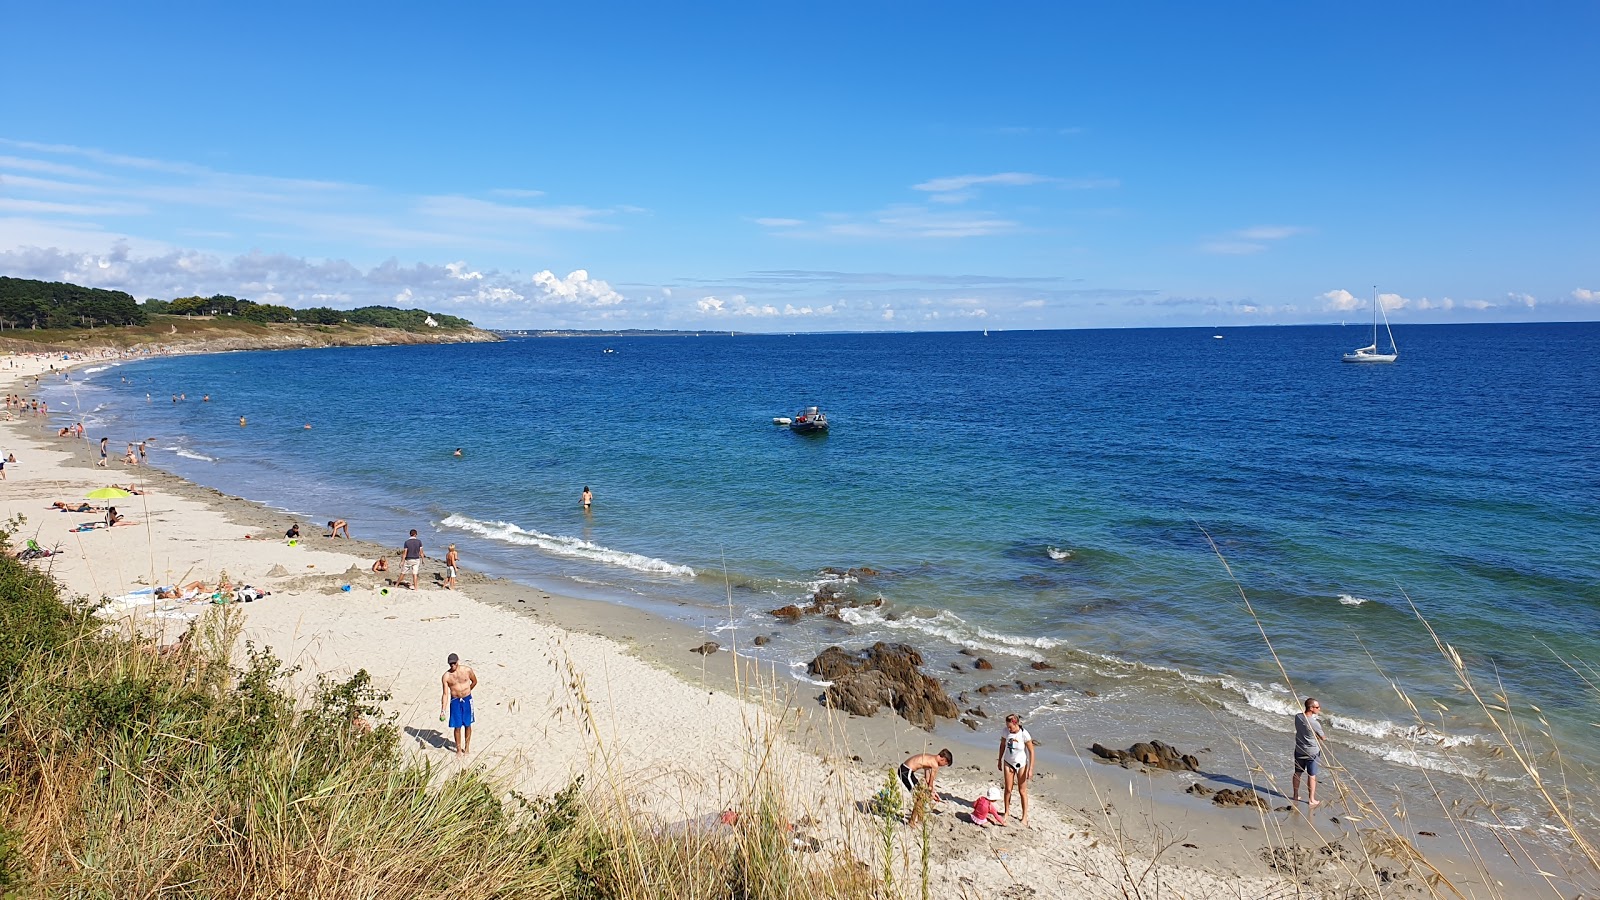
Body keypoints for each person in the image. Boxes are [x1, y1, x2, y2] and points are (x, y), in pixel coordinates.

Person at [998, 714, 1035, 826]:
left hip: (1021, 764)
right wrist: (999, 760)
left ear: (1016, 723)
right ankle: (1007, 812)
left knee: (1022, 791)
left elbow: (1031, 752)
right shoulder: (1005, 732)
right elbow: (1002, 746)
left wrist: (1030, 769)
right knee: (1008, 789)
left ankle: (1024, 817)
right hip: (1008, 762)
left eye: (1011, 727)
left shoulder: (1024, 734)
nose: (1009, 729)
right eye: (1007, 727)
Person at [899, 749, 953, 826]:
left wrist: (933, 792)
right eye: (944, 764)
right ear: (943, 759)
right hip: (906, 772)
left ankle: (920, 818)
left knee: (922, 794)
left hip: (907, 771)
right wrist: (931, 792)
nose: (942, 766)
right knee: (919, 797)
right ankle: (912, 821)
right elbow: (930, 783)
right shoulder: (935, 764)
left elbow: (927, 778)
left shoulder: (930, 759)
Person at [1292, 697, 1328, 809]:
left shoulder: (1298, 717)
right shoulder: (1315, 723)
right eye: (1317, 707)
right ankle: (1311, 799)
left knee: (1297, 772)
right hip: (1312, 752)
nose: (1319, 708)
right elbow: (1323, 737)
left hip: (1299, 749)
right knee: (1311, 775)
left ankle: (1295, 795)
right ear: (1311, 708)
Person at [440, 652, 478, 757]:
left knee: (468, 724)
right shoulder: (446, 676)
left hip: (467, 699)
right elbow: (445, 694)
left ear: (458, 661)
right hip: (455, 701)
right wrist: (443, 710)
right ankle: (458, 750)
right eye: (450, 664)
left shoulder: (467, 670)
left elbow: (474, 681)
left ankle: (467, 748)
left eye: (454, 663)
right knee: (457, 726)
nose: (452, 666)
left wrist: (468, 691)